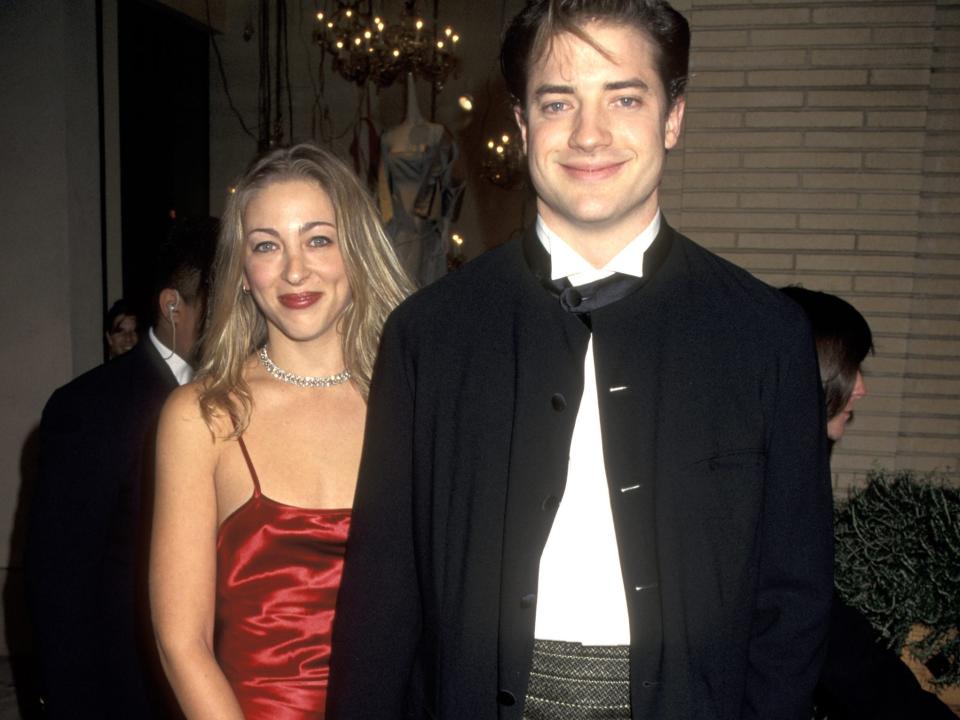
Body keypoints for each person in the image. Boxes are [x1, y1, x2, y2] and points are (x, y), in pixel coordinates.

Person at [327, 1, 833, 719]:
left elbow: (794, 600)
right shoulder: (427, 337)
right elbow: (382, 600)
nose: (589, 134)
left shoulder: (767, 336)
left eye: (624, 98)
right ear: (525, 125)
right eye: (559, 101)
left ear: (673, 117)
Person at [149, 143, 411, 720]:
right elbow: (181, 643)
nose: (295, 270)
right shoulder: (202, 417)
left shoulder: (416, 400)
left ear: (358, 253)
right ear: (243, 274)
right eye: (266, 246)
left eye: (318, 239)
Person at [26, 217, 217, 719]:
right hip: (129, 689)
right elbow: (60, 579)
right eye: (223, 308)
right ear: (173, 305)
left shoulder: (245, 394)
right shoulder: (91, 406)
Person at [781, 286, 956, 720]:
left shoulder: (795, 458)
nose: (861, 388)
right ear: (810, 369)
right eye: (850, 368)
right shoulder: (768, 479)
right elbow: (823, 632)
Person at [378, 72, 464, 287]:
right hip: (395, 220)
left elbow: (449, 182)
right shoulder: (388, 137)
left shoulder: (437, 134)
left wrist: (445, 226)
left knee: (419, 280)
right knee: (394, 281)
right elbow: (382, 186)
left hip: (423, 220)